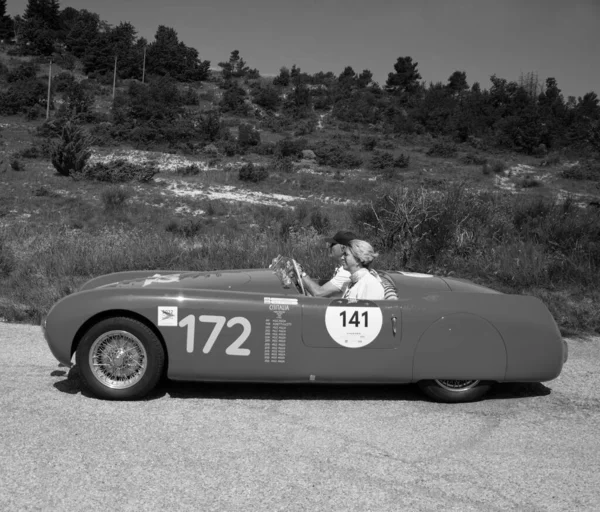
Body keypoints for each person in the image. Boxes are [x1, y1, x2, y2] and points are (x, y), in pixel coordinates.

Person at [299, 230, 358, 297]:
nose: (329, 246)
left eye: (333, 244)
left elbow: (318, 293)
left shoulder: (346, 273)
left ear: (343, 248)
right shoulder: (343, 269)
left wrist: (301, 274)